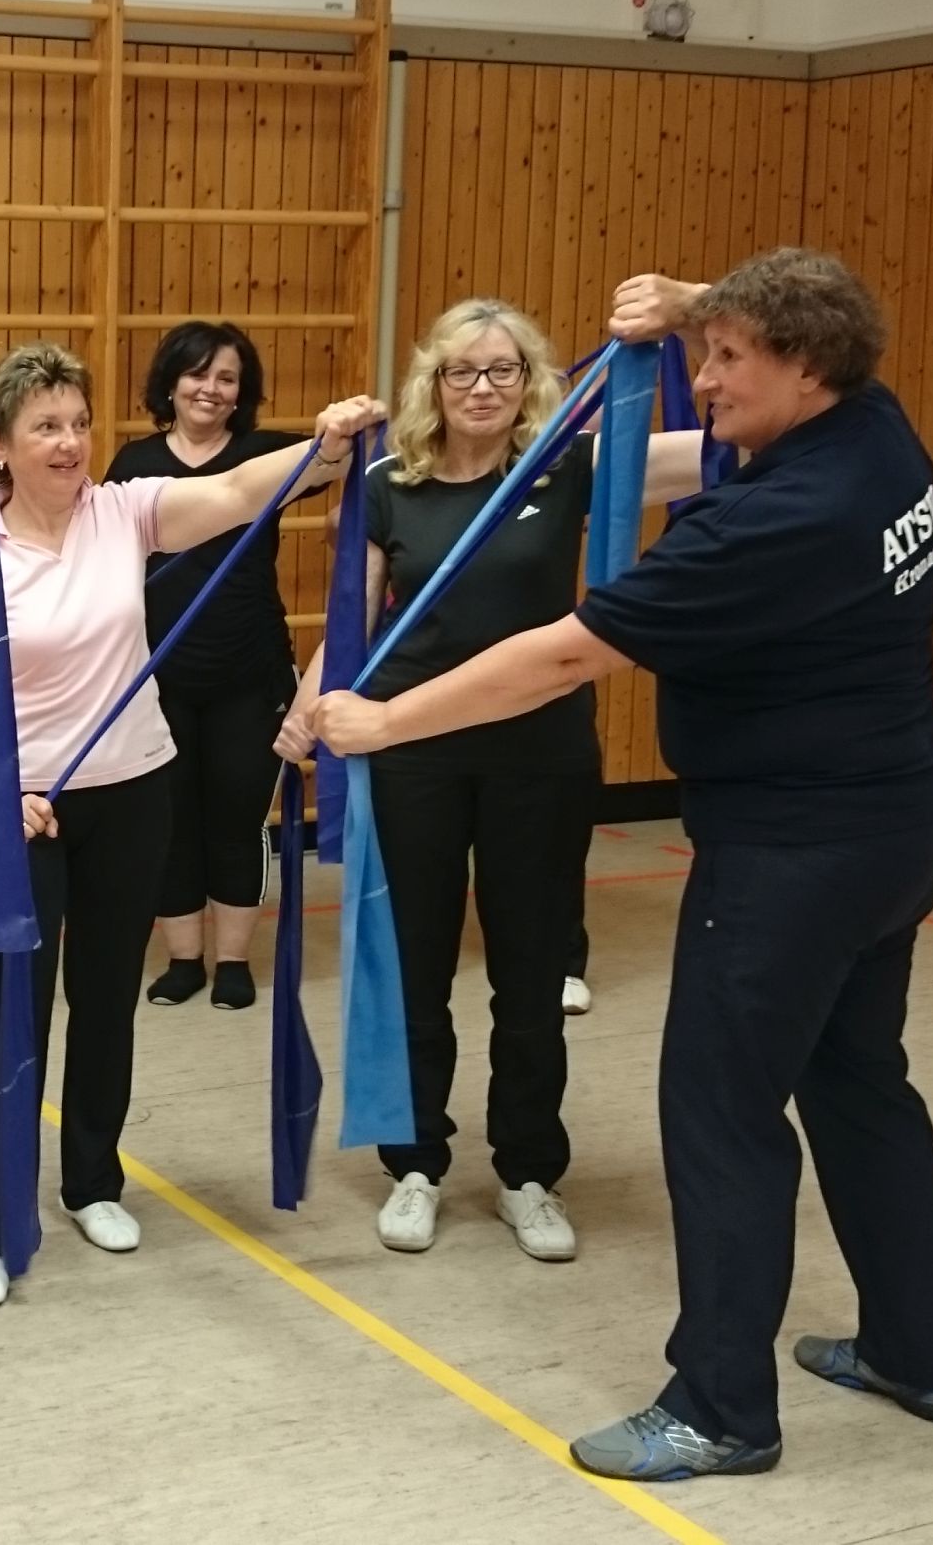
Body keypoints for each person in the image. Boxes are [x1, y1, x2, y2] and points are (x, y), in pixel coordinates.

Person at [312, 250, 933, 1481]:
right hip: (902, 824)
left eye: (725, 359)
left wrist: (385, 720)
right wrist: (690, 308)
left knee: (719, 1117)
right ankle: (915, 1351)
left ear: (805, 370)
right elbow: (790, 321)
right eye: (703, 351)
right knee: (856, 1084)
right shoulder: (876, 430)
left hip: (791, 854)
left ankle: (718, 1410)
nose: (701, 379)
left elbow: (564, 656)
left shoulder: (771, 521)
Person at [0, 344, 362, 1310]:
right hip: (25, 810)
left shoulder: (124, 511)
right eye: (45, 426)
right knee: (7, 1011)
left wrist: (324, 448)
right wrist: (0, 792)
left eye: (78, 423)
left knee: (104, 999)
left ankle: (92, 1181)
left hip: (132, 789)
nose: (68, 442)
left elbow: (239, 490)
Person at [275, 300, 704, 1265]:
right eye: (461, 371)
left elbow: (722, 449)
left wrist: (685, 322)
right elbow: (351, 621)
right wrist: (306, 709)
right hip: (412, 750)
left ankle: (527, 1172)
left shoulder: (570, 465)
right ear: (431, 383)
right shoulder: (388, 483)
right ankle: (415, 1163)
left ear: (531, 380)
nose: (481, 388)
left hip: (538, 755)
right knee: (415, 968)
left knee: (531, 973)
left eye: (502, 370)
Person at [104, 320, 324, 1012]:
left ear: (242, 391)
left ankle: (232, 960)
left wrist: (347, 426)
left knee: (237, 818)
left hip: (249, 674)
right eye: (197, 374)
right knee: (168, 820)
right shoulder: (134, 462)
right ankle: (182, 959)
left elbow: (345, 458)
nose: (211, 388)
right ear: (170, 383)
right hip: (158, 677)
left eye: (226, 377)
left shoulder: (267, 455)